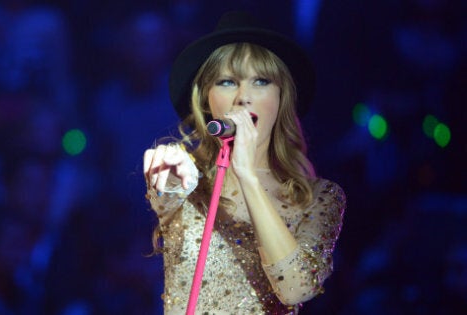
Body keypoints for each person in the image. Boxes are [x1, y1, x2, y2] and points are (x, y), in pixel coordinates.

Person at [143, 11, 346, 314]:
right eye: (226, 82)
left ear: (281, 98)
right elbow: (168, 194)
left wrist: (247, 175)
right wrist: (164, 173)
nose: (243, 97)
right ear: (206, 101)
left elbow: (295, 287)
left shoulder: (319, 198)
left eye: (261, 81)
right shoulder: (189, 180)